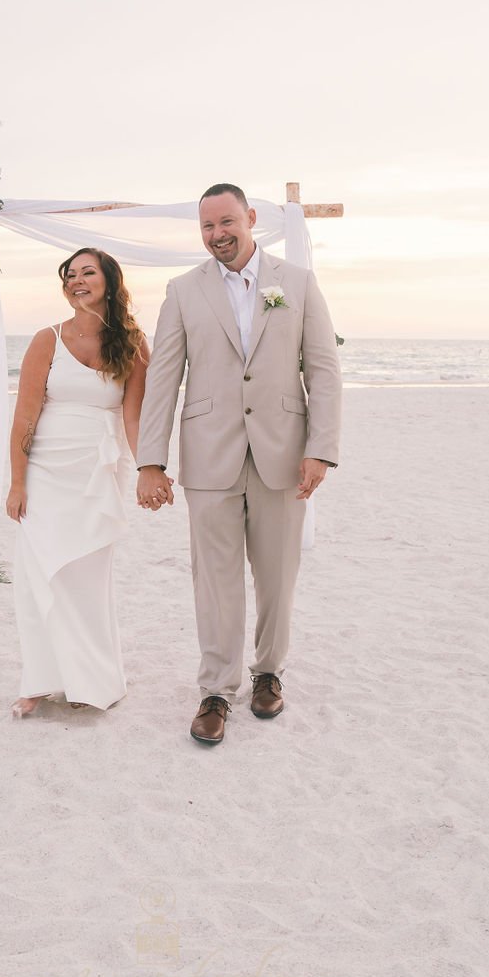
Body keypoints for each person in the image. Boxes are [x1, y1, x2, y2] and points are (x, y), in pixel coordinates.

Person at [136, 184, 341, 745]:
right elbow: (163, 380)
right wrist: (149, 460)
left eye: (226, 222)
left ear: (250, 219)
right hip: (208, 456)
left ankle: (268, 671)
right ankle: (216, 690)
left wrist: (320, 448)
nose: (217, 235)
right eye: (206, 227)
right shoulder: (182, 291)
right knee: (214, 580)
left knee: (277, 574)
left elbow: (322, 370)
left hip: (283, 451)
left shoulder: (295, 283)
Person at [7, 247, 152, 717]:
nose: (77, 281)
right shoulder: (46, 340)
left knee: (87, 581)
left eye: (88, 272)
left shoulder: (132, 344)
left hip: (97, 474)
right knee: (40, 577)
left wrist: (150, 469)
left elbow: (133, 417)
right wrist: (17, 482)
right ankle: (39, 680)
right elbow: (24, 418)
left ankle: (93, 679)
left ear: (110, 280)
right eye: (70, 275)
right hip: (46, 474)